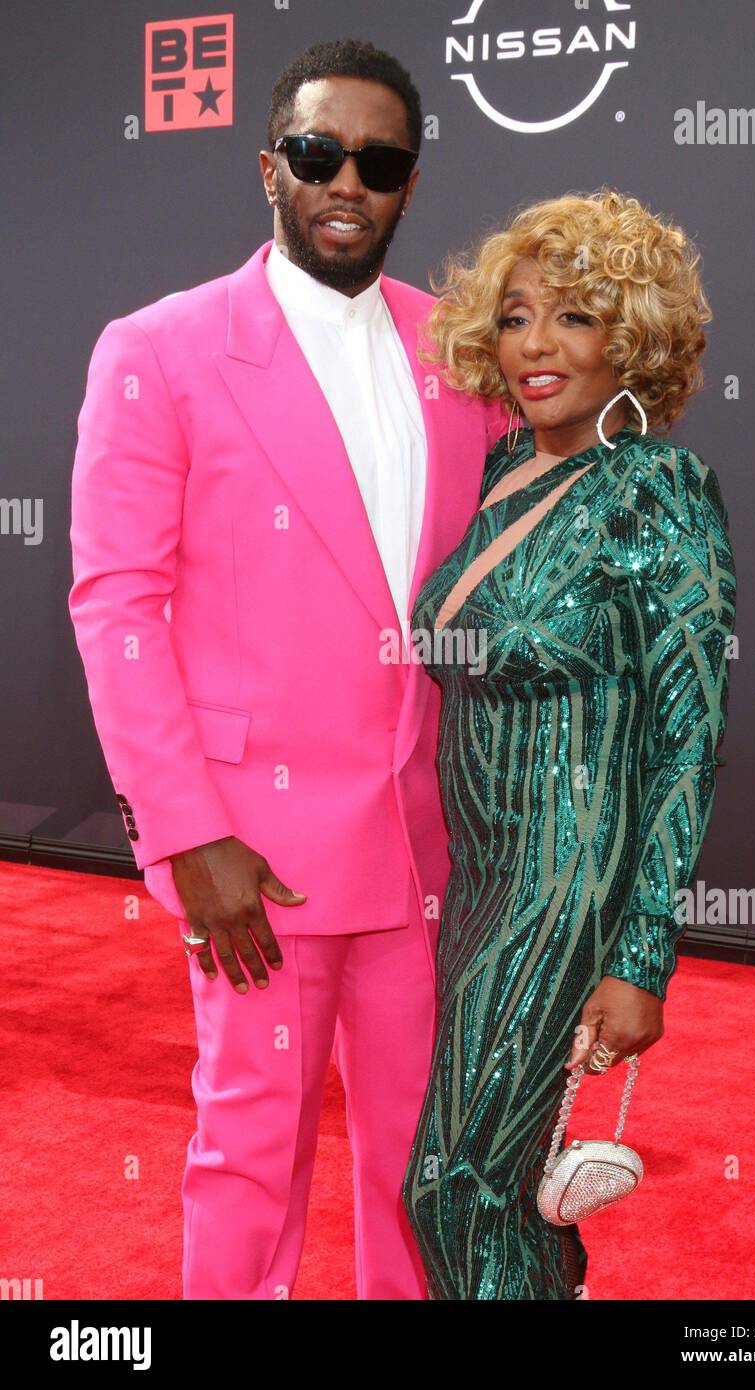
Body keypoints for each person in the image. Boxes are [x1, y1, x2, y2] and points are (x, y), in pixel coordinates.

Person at [68, 38, 506, 1300]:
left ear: (409, 185)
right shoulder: (160, 348)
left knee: (421, 1159)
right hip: (251, 851)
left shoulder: (456, 353)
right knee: (251, 1154)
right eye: (318, 155)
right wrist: (184, 831)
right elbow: (118, 606)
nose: (345, 183)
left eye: (378, 162)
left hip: (424, 840)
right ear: (271, 167)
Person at [402, 190, 737, 1299]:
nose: (534, 345)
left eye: (574, 316)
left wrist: (639, 954)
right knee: (502, 1193)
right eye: (512, 317)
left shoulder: (656, 487)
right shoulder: (503, 477)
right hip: (481, 886)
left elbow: (687, 739)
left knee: (455, 1187)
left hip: (566, 885)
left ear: (630, 337)